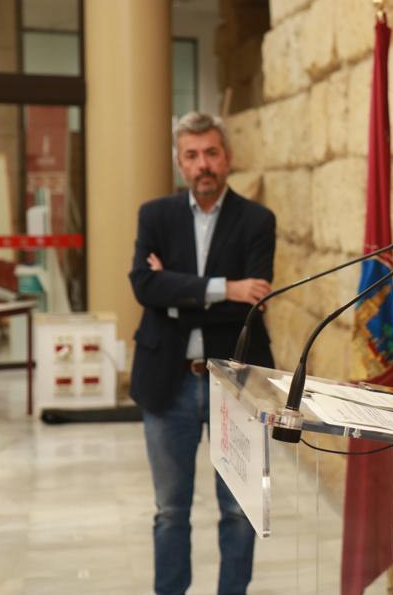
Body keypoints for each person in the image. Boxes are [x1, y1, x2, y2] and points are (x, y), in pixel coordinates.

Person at [129, 111, 276, 595]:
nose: (202, 164)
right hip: (167, 382)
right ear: (179, 163)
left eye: (211, 153)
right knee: (170, 511)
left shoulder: (257, 220)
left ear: (228, 158)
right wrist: (223, 288)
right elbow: (143, 287)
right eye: (191, 156)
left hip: (235, 384)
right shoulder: (156, 215)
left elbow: (253, 302)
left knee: (237, 510)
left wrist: (177, 293)